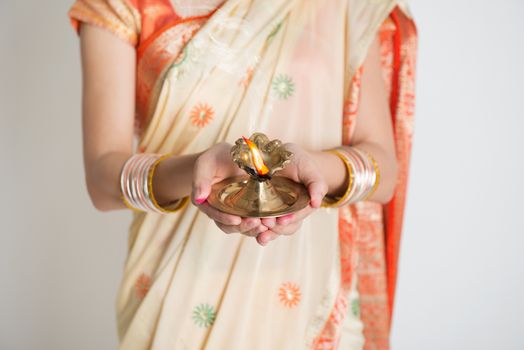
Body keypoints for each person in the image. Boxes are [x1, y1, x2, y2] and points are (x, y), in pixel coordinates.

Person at [68, 0, 417, 348]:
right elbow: (102, 183)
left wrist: (309, 174)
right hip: (177, 294)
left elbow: (384, 173)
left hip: (311, 295)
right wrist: (198, 172)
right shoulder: (121, 5)